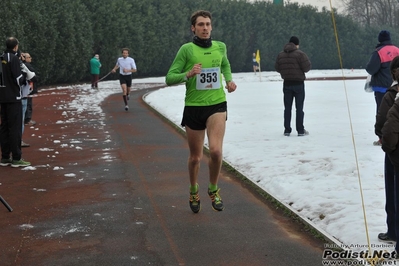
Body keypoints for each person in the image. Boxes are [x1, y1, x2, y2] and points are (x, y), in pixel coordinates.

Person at [165, 10, 237, 213]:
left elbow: (225, 65)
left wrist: (229, 81)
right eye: (201, 25)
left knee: (215, 151)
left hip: (217, 104)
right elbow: (169, 77)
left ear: (211, 26)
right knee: (195, 157)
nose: (205, 28)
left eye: (207, 24)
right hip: (194, 107)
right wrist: (188, 74)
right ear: (193, 28)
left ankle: (213, 188)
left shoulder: (220, 47)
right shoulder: (186, 50)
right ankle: (193, 189)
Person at [375, 55, 399, 246]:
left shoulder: (391, 94)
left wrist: (386, 143)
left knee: (393, 194)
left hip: (394, 152)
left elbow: (382, 122)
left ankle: (393, 231)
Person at [0, 37, 31, 167]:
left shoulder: (1, 57)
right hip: (14, 98)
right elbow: (18, 79)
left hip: (2, 98)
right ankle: (17, 157)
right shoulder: (13, 59)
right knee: (15, 128)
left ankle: (5, 156)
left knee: (4, 126)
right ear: (16, 47)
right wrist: (25, 77)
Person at [366, 30, 399, 146]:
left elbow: (370, 69)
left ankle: (382, 138)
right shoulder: (397, 50)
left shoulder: (378, 52)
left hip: (381, 88)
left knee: (383, 111)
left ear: (380, 39)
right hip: (396, 86)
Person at [275, 36, 311, 137]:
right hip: (298, 84)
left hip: (287, 83)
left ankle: (287, 130)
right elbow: (307, 67)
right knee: (299, 108)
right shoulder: (300, 54)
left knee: (287, 108)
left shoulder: (281, 55)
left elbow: (277, 67)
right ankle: (300, 130)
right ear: (297, 44)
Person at [22, 52, 38, 127]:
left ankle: (26, 119)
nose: (30, 58)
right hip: (28, 88)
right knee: (28, 104)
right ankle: (27, 119)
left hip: (26, 88)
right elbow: (33, 76)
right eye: (29, 57)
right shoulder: (26, 66)